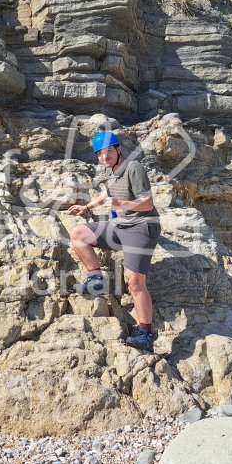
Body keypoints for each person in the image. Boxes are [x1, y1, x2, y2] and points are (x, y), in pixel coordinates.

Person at [67, 130, 161, 352]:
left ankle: (146, 334)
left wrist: (122, 205)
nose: (104, 157)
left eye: (108, 151)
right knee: (78, 234)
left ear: (119, 149)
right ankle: (96, 279)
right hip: (119, 227)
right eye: (99, 153)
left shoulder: (133, 168)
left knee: (135, 282)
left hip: (142, 227)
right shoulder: (109, 171)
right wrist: (87, 207)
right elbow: (106, 194)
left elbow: (147, 203)